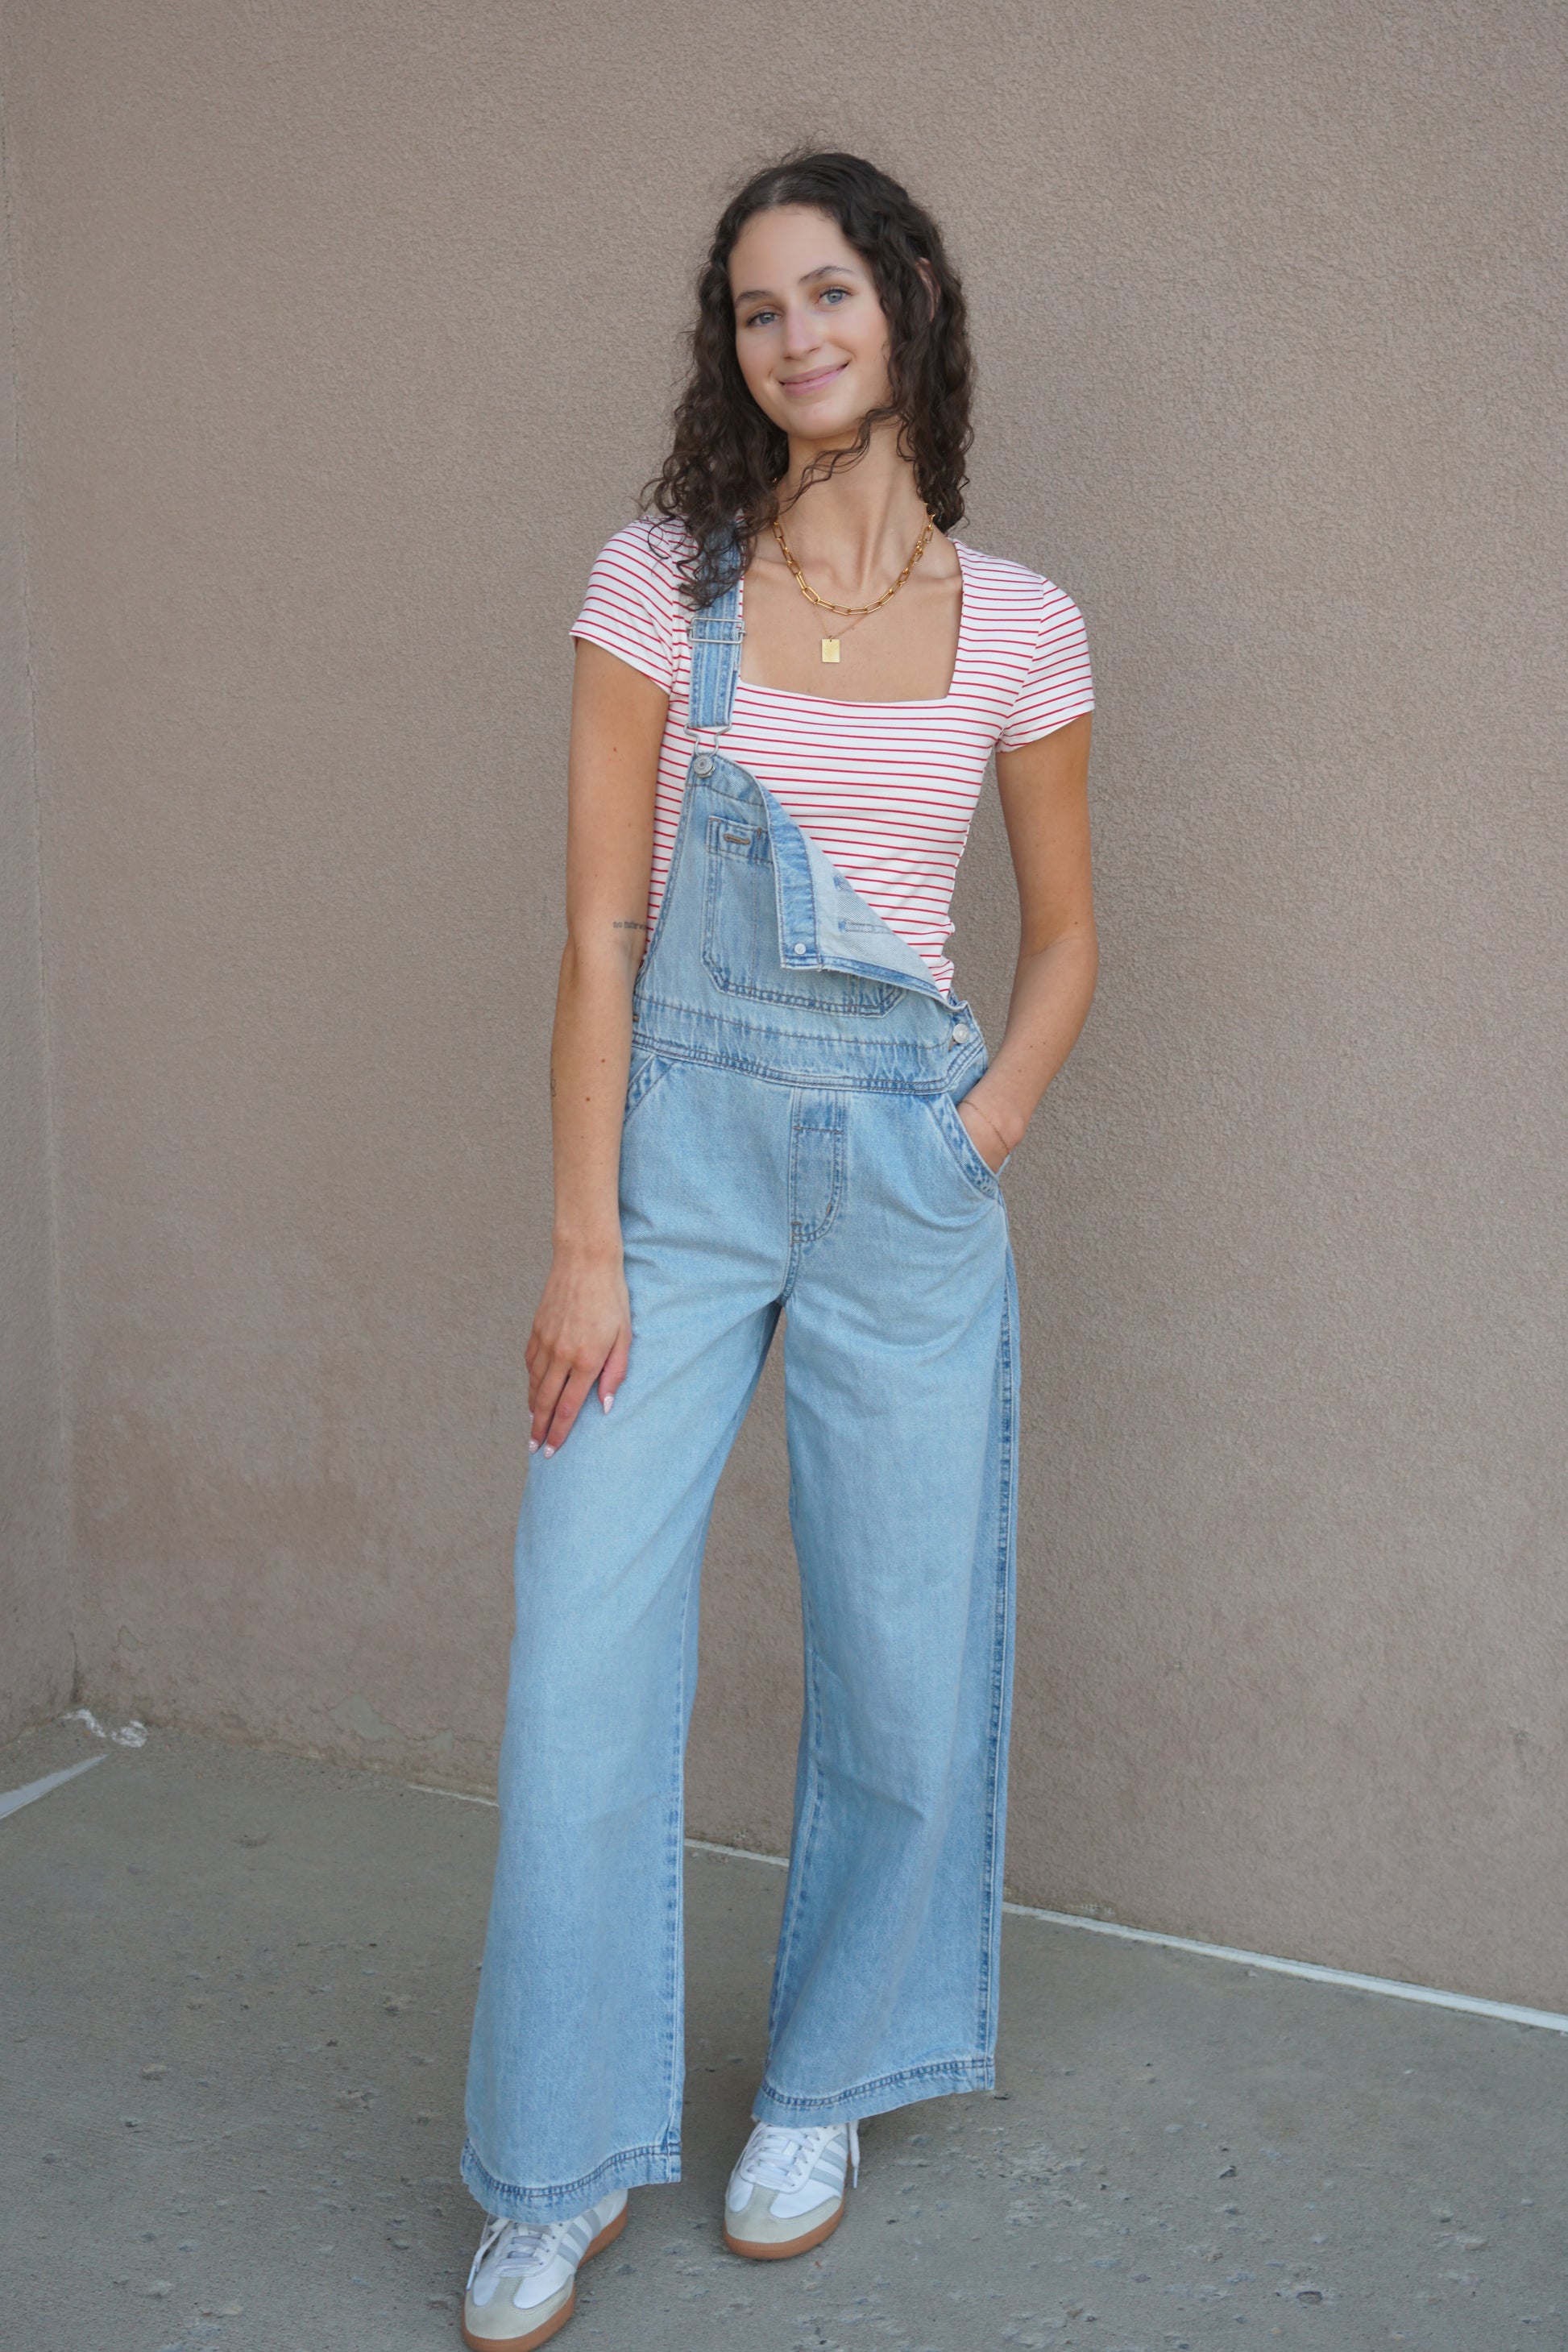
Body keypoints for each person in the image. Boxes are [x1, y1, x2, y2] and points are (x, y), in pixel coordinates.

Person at [457, 148, 1097, 2349]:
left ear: (905, 303)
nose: (794, 334)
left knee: (905, 1671)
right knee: (577, 1669)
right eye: (755, 307)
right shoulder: (662, 583)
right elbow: (598, 935)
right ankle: (553, 2168)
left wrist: (982, 1125)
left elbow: (1068, 934)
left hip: (907, 1185)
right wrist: (585, 1240)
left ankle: (821, 2086)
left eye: (827, 290)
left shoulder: (1020, 626)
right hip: (681, 1174)